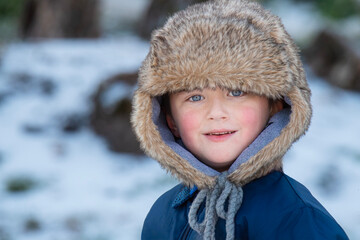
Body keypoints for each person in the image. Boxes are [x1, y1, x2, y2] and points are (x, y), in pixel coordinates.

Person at [131, 0, 349, 239]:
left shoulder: (297, 220)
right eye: (195, 97)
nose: (216, 112)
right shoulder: (164, 214)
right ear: (169, 120)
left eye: (236, 92)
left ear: (276, 106)